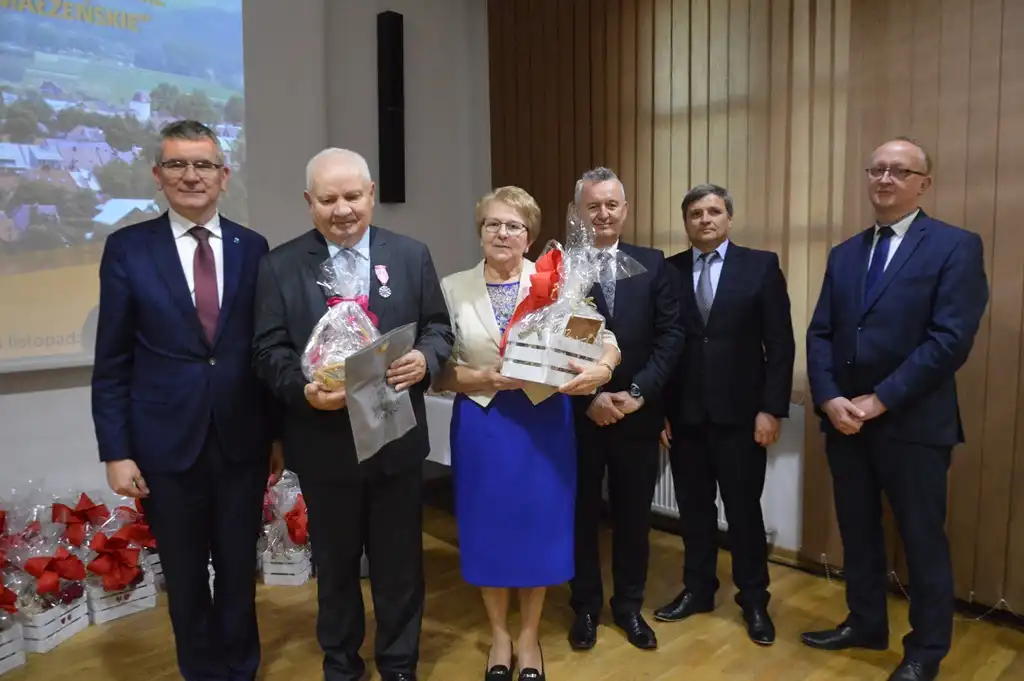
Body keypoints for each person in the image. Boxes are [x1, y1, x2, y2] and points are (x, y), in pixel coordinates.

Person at [91, 119, 283, 681]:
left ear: (224, 176)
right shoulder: (127, 249)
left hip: (242, 440)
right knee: (184, 574)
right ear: (158, 175)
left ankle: (241, 669)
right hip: (163, 445)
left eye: (203, 164)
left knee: (237, 566)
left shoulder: (254, 248)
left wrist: (275, 434)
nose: (190, 175)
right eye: (177, 164)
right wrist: (116, 450)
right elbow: (113, 361)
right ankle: (202, 672)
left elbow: (263, 351)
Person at [251, 148, 453, 681]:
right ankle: (341, 664)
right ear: (308, 202)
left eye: (352, 196)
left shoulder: (411, 255)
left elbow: (438, 327)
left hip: (396, 440)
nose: (342, 209)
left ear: (371, 193)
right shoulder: (279, 265)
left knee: (399, 565)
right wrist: (302, 389)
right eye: (328, 199)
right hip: (324, 443)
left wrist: (425, 359)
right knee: (336, 569)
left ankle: (399, 663)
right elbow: (268, 350)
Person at [804, 137, 989, 681]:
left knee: (921, 541)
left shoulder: (956, 246)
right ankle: (864, 622)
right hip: (845, 423)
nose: (884, 179)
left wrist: (880, 399)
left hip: (913, 423)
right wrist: (830, 397)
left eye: (899, 171)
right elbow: (821, 334)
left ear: (923, 184)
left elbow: (949, 340)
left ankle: (926, 652)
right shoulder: (845, 253)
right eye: (877, 169)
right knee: (857, 532)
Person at [437, 186, 620, 681]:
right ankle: (499, 636)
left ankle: (528, 637)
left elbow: (603, 341)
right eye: (493, 224)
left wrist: (601, 372)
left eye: (514, 225)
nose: (503, 233)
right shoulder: (452, 288)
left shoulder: (557, 283)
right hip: (483, 423)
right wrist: (484, 378)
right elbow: (438, 370)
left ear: (529, 235)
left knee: (538, 530)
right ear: (479, 232)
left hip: (543, 426)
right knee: (488, 530)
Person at [655, 183, 795, 645]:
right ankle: (698, 589)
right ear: (686, 223)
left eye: (714, 211)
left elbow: (780, 345)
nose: (705, 220)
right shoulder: (668, 270)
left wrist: (771, 410)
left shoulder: (761, 267)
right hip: (685, 417)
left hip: (742, 417)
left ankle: (754, 601)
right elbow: (662, 346)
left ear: (729, 219)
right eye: (695, 213)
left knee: (743, 514)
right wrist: (661, 412)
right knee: (694, 512)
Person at [568, 167, 684, 651]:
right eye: (593, 205)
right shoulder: (560, 269)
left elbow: (671, 337)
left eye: (611, 204)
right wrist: (590, 397)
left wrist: (636, 394)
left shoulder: (654, 264)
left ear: (625, 209)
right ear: (579, 212)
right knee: (581, 516)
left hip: (637, 414)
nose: (603, 213)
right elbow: (554, 343)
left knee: (634, 517)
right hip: (578, 417)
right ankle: (585, 609)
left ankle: (629, 608)